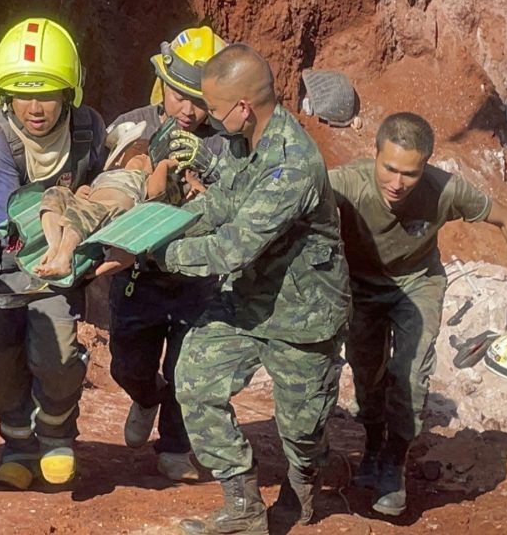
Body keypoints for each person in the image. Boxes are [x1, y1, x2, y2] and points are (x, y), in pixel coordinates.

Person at [99, 44, 351, 534]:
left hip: (304, 314)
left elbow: (230, 249)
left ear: (241, 107)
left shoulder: (291, 164)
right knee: (194, 378)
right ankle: (242, 507)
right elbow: (219, 206)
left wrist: (150, 254)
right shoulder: (244, 141)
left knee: (301, 431)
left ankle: (303, 490)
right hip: (249, 301)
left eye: (213, 108)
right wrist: (152, 229)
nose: (205, 118)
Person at [328, 112, 507, 516]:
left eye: (410, 173)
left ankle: (394, 463)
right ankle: (372, 445)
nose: (397, 183)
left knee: (409, 372)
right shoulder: (348, 183)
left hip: (418, 284)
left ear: (427, 166)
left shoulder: (444, 189)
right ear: (375, 155)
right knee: (366, 371)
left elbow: (505, 219)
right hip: (362, 286)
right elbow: (293, 198)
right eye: (389, 168)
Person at [0, 17, 107, 489]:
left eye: (46, 93)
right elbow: (16, 220)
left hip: (58, 259)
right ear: (5, 94)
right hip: (1, 261)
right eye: (22, 93)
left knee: (58, 354)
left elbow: (101, 189)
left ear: (70, 92)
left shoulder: (89, 129)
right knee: (1, 358)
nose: (35, 107)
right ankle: (18, 444)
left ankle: (57, 435)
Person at [106, 26, 247, 483]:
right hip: (138, 276)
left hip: (199, 279)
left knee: (189, 370)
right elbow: (105, 191)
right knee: (129, 364)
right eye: (178, 94)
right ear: (161, 83)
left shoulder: (231, 144)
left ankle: (174, 446)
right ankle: (145, 396)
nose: (187, 110)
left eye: (201, 99)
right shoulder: (129, 128)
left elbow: (244, 205)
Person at [35, 137, 183, 278]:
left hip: (111, 212)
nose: (142, 155)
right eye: (137, 151)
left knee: (82, 212)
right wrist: (80, 193)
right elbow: (85, 193)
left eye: (147, 156)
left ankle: (63, 260)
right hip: (90, 204)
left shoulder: (144, 178)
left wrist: (163, 166)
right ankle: (54, 245)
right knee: (55, 193)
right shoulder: (108, 174)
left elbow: (157, 192)